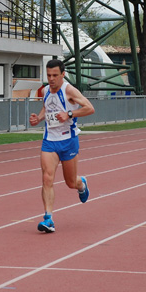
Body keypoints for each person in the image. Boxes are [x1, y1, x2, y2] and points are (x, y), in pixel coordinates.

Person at [29, 59, 95, 233]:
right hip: (50, 140)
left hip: (68, 141)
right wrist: (39, 118)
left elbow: (90, 108)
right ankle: (48, 218)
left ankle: (82, 184)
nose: (51, 79)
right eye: (49, 75)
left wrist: (70, 114)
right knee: (47, 178)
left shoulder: (69, 90)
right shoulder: (44, 91)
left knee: (70, 182)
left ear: (63, 74)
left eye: (55, 75)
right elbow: (47, 107)